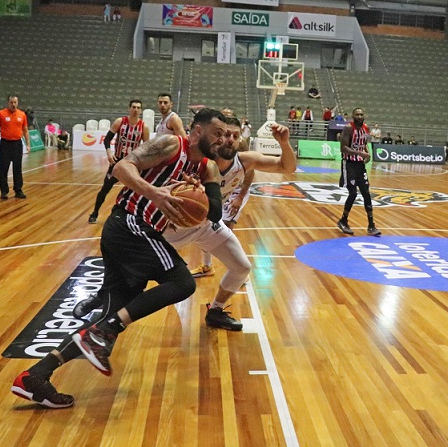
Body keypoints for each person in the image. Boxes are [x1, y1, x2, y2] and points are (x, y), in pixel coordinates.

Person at [10, 108, 227, 408]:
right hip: (130, 224)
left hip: (132, 234)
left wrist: (199, 196)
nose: (222, 140)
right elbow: (121, 169)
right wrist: (155, 193)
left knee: (107, 315)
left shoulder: (206, 168)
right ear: (198, 131)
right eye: (217, 133)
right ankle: (107, 330)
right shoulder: (170, 145)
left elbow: (214, 212)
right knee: (182, 282)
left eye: (225, 135)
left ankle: (36, 376)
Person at [75, 117, 296, 331]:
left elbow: (287, 167)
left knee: (242, 267)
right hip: (173, 225)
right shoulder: (198, 162)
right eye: (223, 134)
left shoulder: (244, 161)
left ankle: (216, 311)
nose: (227, 139)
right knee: (134, 277)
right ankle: (102, 296)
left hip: (207, 225)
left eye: (234, 136)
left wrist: (284, 143)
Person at [88, 99, 150, 223]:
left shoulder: (144, 127)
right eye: (133, 107)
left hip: (132, 163)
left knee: (137, 190)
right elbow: (107, 139)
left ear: (141, 110)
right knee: (106, 187)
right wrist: (109, 152)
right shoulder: (120, 122)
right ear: (129, 108)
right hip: (117, 161)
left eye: (138, 107)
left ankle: (136, 217)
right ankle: (95, 213)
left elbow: (146, 148)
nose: (135, 110)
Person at [336, 108, 381, 237]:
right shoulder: (348, 128)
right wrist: (359, 153)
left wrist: (367, 153)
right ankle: (343, 220)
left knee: (366, 193)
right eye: (357, 114)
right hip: (349, 164)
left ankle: (371, 225)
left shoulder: (365, 128)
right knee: (353, 193)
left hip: (360, 164)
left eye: (361, 114)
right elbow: (343, 148)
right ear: (353, 116)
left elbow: (363, 143)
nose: (360, 116)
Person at [0, 94, 30, 200]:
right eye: (11, 102)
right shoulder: (1, 114)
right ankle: (4, 191)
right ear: (8, 103)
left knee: (17, 168)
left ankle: (18, 190)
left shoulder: (22, 115)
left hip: (17, 144)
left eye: (15, 102)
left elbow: (25, 130)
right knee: (4, 168)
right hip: (5, 144)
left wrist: (28, 144)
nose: (13, 104)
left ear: (18, 103)